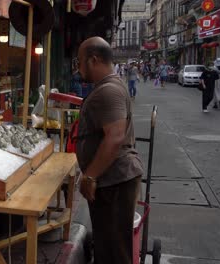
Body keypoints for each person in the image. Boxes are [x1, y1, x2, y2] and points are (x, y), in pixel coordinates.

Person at [75, 37, 144, 264]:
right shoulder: (107, 87)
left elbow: (115, 137)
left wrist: (90, 175)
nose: (78, 67)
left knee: (115, 252)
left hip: (115, 181)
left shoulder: (108, 91)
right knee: (107, 247)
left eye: (80, 62)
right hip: (112, 181)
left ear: (93, 60)